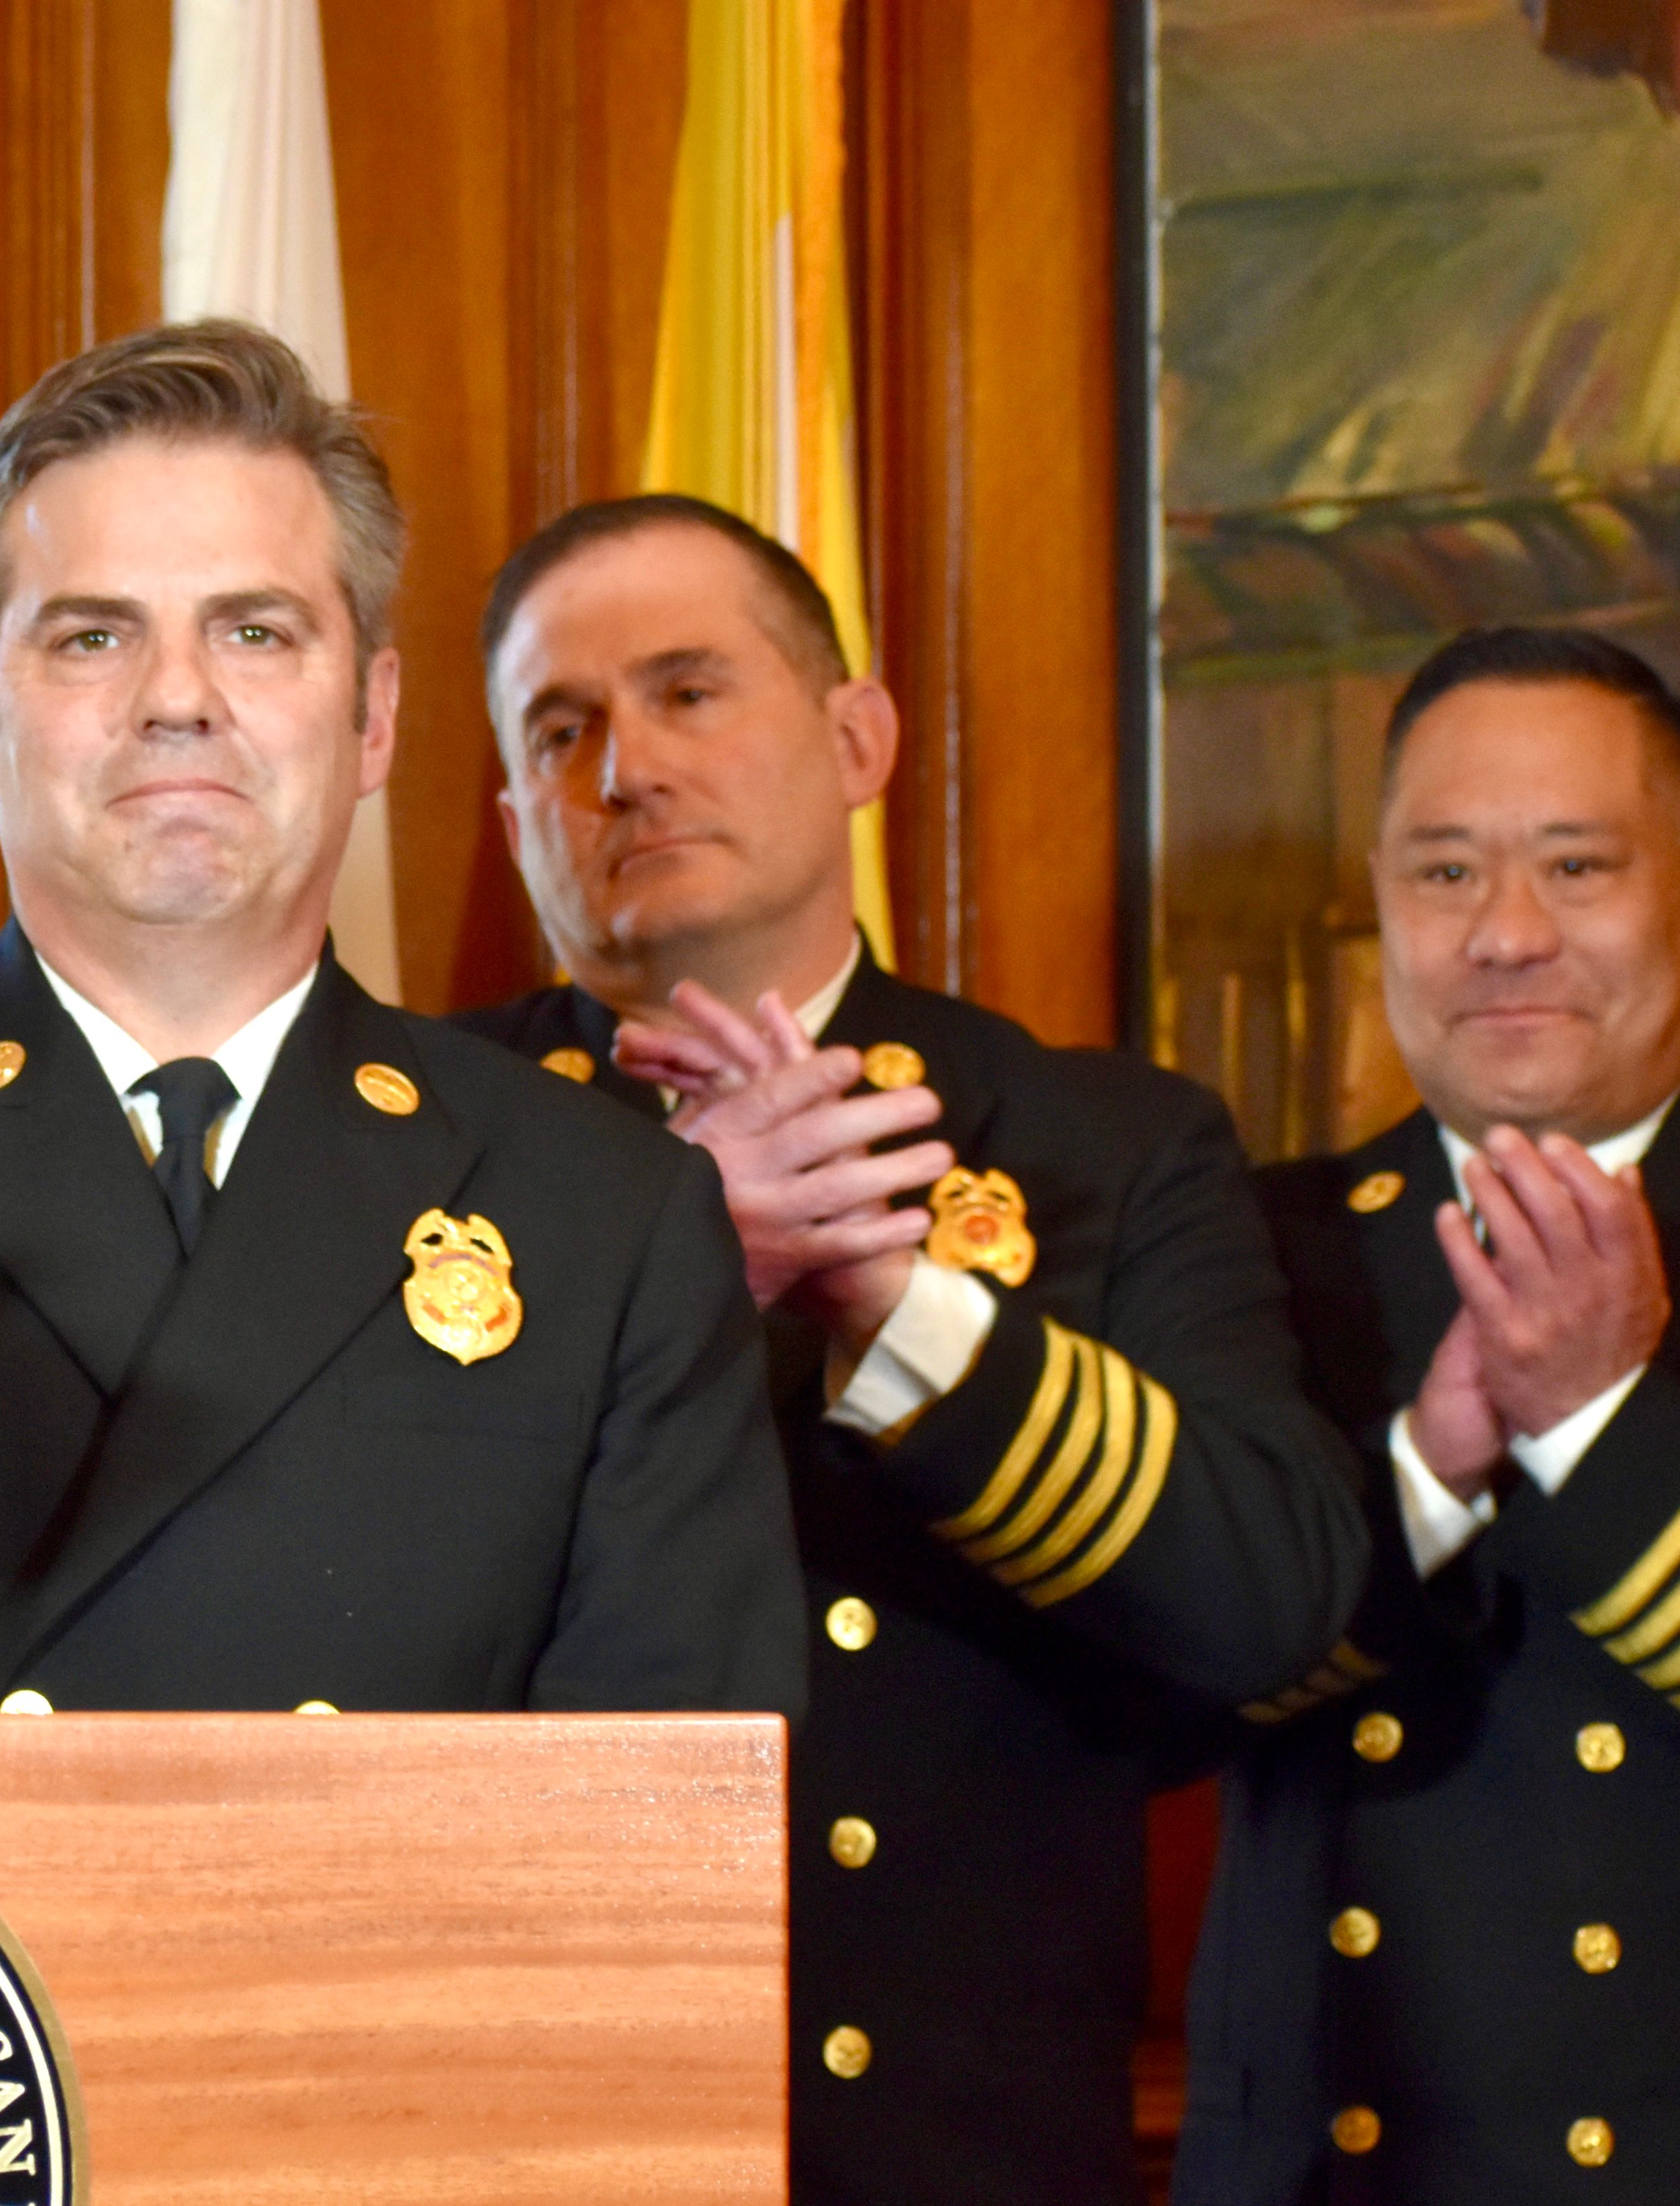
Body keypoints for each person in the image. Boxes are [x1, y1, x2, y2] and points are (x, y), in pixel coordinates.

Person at [0, 323, 803, 1717]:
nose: (177, 701)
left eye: (254, 632)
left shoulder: (608, 1222)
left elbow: (656, 1863)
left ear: (372, 717)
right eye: (91, 637)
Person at [455, 493, 1366, 2206]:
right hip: (532, 2113)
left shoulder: (1104, 1139)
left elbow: (1267, 1596)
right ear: (514, 817)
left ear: (856, 735)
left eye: (689, 690)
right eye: (559, 731)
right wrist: (674, 1275)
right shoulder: (402, 1138)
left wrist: (901, 1321)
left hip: (962, 2136)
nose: (625, 767)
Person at [1178, 630, 1680, 2202]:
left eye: (1573, 866)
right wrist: (1421, 1478)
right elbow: (1138, 1703)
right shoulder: (1246, 1249)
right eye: (1442, 875)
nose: (1504, 935)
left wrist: (1592, 1423)